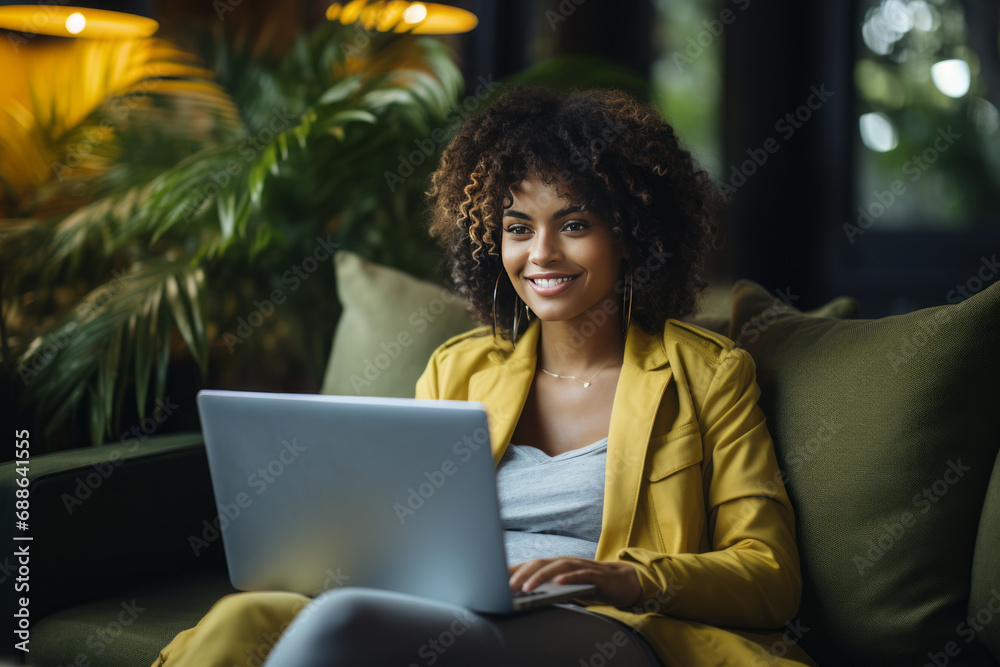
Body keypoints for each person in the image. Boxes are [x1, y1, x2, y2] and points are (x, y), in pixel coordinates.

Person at [152, 85, 818, 666]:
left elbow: (769, 575)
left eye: (575, 223)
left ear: (632, 233)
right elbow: (395, 534)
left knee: (344, 623)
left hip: (612, 627)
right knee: (243, 618)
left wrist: (618, 576)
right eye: (518, 227)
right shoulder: (459, 367)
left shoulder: (709, 375)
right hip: (448, 613)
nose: (541, 254)